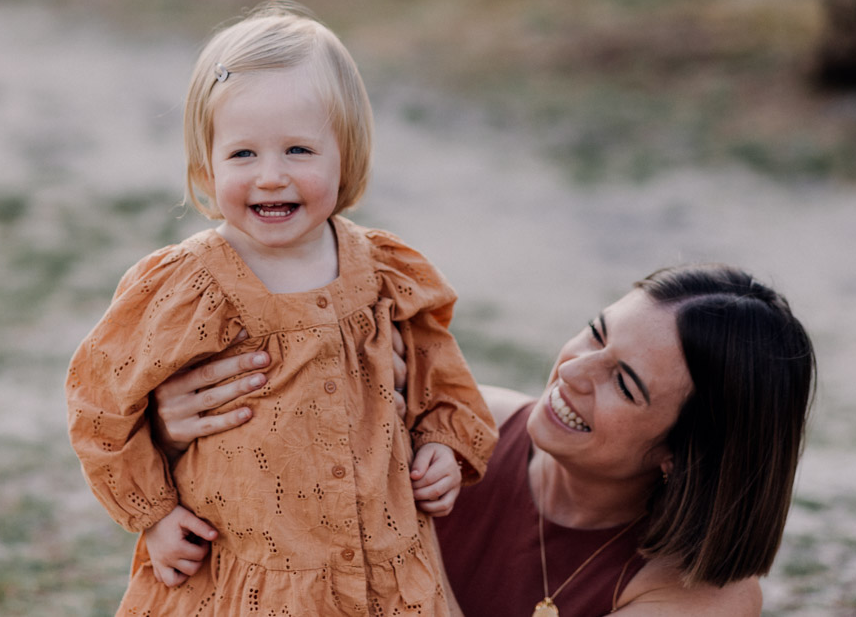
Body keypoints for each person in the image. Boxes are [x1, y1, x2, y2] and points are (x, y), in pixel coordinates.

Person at [65, 0, 497, 616]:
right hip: (254, 577)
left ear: (345, 154)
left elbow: (441, 379)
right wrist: (154, 514)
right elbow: (101, 402)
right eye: (243, 155)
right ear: (206, 168)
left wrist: (442, 448)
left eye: (299, 150)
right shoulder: (189, 285)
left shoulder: (385, 273)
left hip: (386, 567)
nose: (271, 176)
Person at [151, 263, 816, 616]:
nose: (574, 371)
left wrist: (398, 536)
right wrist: (183, 435)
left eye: (626, 383)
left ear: (684, 453)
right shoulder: (457, 427)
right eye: (594, 331)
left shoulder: (706, 594)